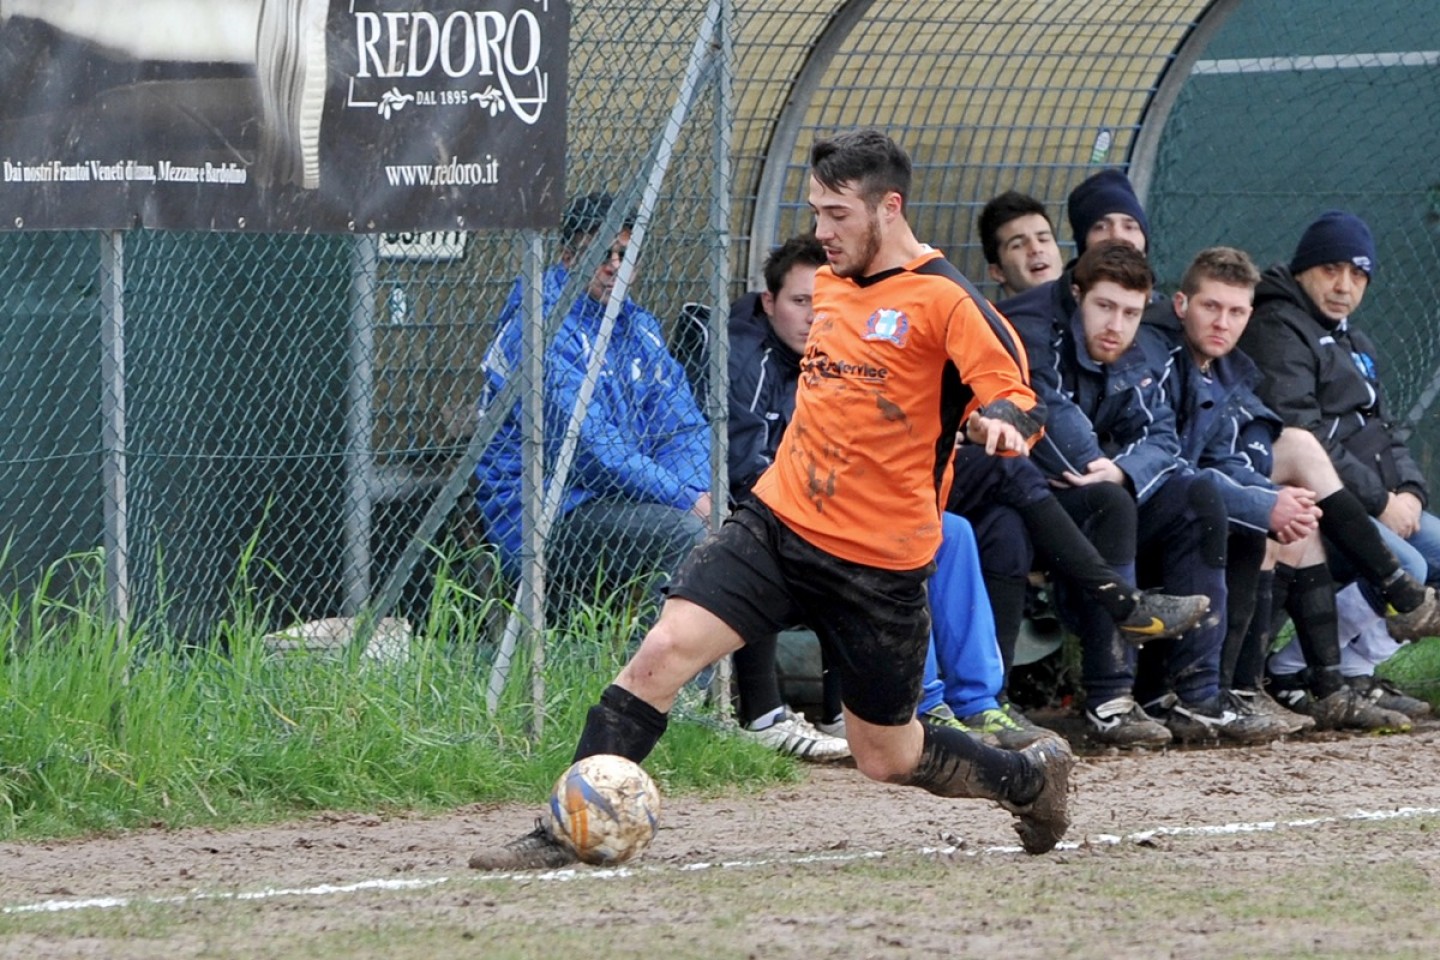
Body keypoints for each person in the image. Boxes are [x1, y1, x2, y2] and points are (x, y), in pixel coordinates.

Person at [469, 129, 1074, 871]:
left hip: (878, 563)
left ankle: (1025, 779)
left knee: (886, 754)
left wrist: (1004, 424)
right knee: (661, 654)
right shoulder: (829, 284)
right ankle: (567, 828)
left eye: (837, 214)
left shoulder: (943, 297)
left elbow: (1016, 390)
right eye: (816, 210)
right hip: (778, 525)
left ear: (890, 207)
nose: (821, 231)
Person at [1005, 240, 1277, 746]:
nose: (1117, 325)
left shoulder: (1134, 352)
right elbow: (1051, 420)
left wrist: (1122, 471)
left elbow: (1159, 437)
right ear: (1077, 294)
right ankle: (1110, 701)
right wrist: (1100, 468)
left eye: (1131, 312)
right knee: (1111, 504)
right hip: (1028, 499)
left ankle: (1198, 696)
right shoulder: (1040, 334)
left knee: (1198, 498)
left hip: (1100, 492)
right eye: (1105, 307)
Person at [1151, 246, 1429, 733]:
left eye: (1236, 311)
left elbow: (1381, 432)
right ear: (1181, 305)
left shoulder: (1236, 367)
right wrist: (1267, 499)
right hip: (1163, 504)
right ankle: (1384, 595)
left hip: (1234, 491)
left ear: (1247, 315)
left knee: (1298, 522)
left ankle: (1301, 688)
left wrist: (1407, 488)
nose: (1223, 322)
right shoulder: (1166, 357)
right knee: (1289, 500)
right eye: (1211, 307)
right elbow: (1180, 463)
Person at [1237, 211, 1440, 711]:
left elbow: (1385, 430)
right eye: (1331, 270)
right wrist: (1379, 501)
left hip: (1379, 496)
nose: (1343, 286)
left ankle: (1356, 669)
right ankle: (1291, 668)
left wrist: (1411, 491)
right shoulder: (1277, 326)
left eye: (1358, 275)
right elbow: (1302, 433)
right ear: (1304, 269)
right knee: (1406, 564)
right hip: (1315, 496)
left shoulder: (1354, 339)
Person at [473, 192, 712, 613]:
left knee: (743, 535)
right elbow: (586, 449)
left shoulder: (639, 328)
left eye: (625, 253)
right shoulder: (539, 325)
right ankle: (656, 677)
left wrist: (694, 491)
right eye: (599, 254)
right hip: (547, 510)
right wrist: (682, 500)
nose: (614, 266)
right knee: (686, 535)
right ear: (567, 257)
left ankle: (739, 680)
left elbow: (682, 426)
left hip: (624, 498)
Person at [725, 233, 849, 761]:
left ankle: (853, 715)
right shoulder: (745, 357)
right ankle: (763, 716)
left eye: (824, 305)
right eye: (801, 302)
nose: (812, 317)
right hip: (745, 508)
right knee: (768, 540)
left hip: (812, 505)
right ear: (770, 302)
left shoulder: (840, 355)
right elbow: (741, 467)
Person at [977, 190, 1063, 298]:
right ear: (997, 272)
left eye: (1043, 239)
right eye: (1018, 245)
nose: (1036, 249)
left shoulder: (1086, 309)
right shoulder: (992, 315)